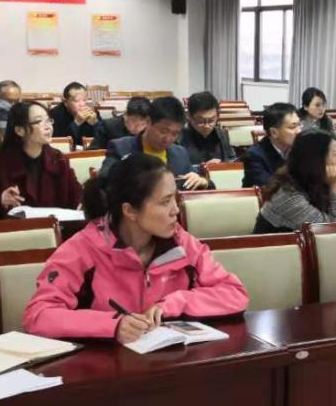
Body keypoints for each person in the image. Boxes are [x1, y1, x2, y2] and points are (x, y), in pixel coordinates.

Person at [24, 154, 249, 343]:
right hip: (104, 369)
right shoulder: (82, 249)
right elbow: (38, 316)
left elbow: (235, 294)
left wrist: (174, 303)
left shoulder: (181, 242)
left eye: (175, 199)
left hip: (171, 363)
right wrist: (112, 325)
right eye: (165, 202)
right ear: (130, 211)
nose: (176, 210)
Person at [0, 100, 82, 219]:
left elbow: (77, 197)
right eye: (39, 121)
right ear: (20, 130)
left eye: (48, 120)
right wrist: (0, 201)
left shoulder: (58, 159)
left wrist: (81, 204)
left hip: (55, 228)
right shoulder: (0, 162)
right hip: (17, 229)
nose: (48, 127)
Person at [254, 132, 336, 233]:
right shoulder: (288, 196)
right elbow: (331, 233)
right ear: (316, 160)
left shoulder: (322, 181)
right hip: (278, 246)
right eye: (334, 154)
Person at [100, 96, 211, 189]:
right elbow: (104, 182)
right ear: (148, 122)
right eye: (163, 131)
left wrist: (203, 182)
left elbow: (199, 183)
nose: (168, 139)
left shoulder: (180, 154)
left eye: (175, 133)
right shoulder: (121, 148)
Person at [242, 102, 302, 188]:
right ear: (274, 132)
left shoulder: (303, 149)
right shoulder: (254, 156)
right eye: (293, 127)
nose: (299, 131)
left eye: (299, 125)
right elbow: (270, 188)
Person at [181, 91, 235, 165]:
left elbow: (232, 159)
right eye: (201, 121)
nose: (206, 126)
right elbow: (175, 168)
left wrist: (223, 164)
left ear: (217, 116)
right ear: (189, 116)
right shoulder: (179, 137)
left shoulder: (222, 134)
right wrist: (203, 168)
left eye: (211, 120)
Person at [49, 82, 100, 148]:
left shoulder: (92, 112)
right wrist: (76, 123)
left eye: (84, 100)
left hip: (89, 151)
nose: (82, 104)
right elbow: (59, 144)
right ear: (65, 102)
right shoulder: (55, 114)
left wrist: (95, 124)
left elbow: (103, 138)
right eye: (77, 101)